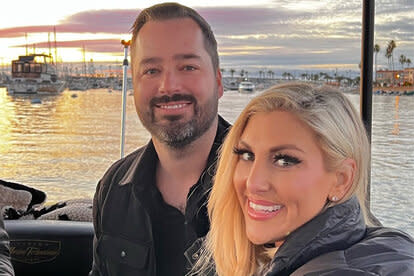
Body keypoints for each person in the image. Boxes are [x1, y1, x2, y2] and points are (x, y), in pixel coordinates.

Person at [190, 83, 414, 276]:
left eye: (285, 161)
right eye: (247, 155)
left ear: (341, 180)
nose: (253, 183)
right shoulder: (381, 245)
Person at [89, 2, 229, 276]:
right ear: (135, 84)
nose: (169, 86)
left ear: (218, 82)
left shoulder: (263, 186)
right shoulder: (113, 188)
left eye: (187, 66)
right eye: (151, 71)